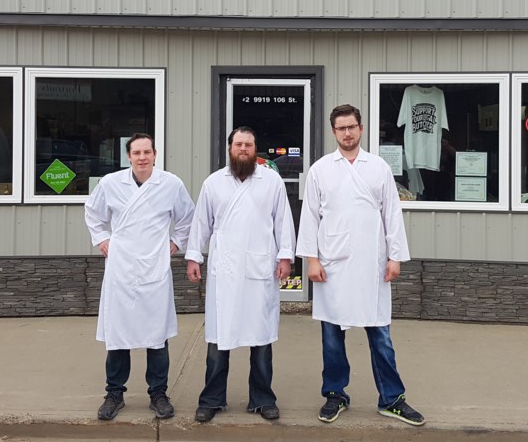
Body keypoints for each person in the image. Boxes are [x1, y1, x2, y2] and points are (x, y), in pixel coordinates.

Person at [296, 104, 426, 426]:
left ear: (361, 128)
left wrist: (395, 256)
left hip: (372, 264)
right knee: (332, 335)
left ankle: (391, 398)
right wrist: (311, 260)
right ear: (333, 132)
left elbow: (392, 215)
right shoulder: (321, 170)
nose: (347, 133)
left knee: (380, 334)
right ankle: (335, 394)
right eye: (341, 128)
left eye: (352, 127)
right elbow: (310, 217)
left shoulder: (378, 167)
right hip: (332, 264)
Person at [185, 126, 296, 423]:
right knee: (219, 337)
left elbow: (283, 220)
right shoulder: (213, 183)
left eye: (248, 144)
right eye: (238, 144)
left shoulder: (271, 181)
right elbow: (201, 224)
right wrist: (194, 256)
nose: (243, 149)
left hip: (260, 266)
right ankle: (212, 399)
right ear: (230, 148)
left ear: (255, 148)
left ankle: (262, 399)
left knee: (260, 338)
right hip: (226, 269)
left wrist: (285, 256)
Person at [85, 133, 195, 421]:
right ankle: (114, 393)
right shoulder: (111, 183)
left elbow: (186, 217)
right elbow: (93, 213)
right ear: (129, 156)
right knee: (118, 333)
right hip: (121, 266)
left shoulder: (170, 184)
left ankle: (158, 393)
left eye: (147, 152)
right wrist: (101, 239)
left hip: (153, 267)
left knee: (156, 335)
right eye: (137, 153)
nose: (142, 157)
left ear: (155, 154)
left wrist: (177, 243)